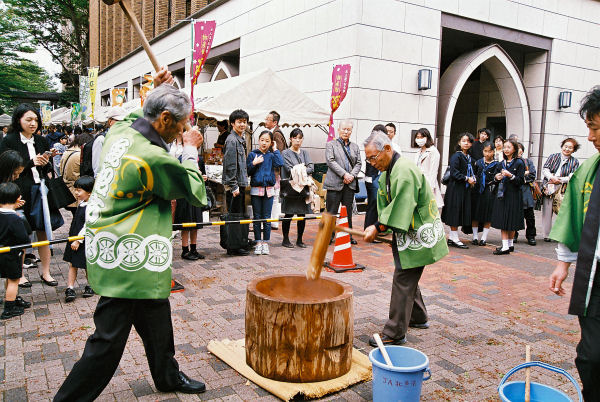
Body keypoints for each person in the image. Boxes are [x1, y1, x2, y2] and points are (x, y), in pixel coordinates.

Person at [54, 71, 208, 400]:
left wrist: (161, 87)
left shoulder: (119, 132)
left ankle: (167, 375)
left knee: (156, 317)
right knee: (108, 340)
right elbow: (194, 192)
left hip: (117, 241)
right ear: (165, 118)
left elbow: (137, 114)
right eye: (180, 126)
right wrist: (192, 150)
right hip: (129, 256)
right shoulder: (151, 157)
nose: (182, 132)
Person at [363, 131, 448, 346]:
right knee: (408, 271)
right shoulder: (388, 172)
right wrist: (376, 225)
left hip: (420, 233)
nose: (372, 163)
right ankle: (418, 317)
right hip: (408, 232)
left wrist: (378, 226)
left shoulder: (404, 171)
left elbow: (403, 204)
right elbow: (384, 204)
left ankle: (394, 332)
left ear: (388, 149)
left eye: (374, 157)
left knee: (403, 277)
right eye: (368, 159)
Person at [548, 86, 600, 401]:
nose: (591, 137)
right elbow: (572, 216)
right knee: (591, 356)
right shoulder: (591, 170)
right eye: (589, 128)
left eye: (595, 127)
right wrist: (563, 263)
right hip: (596, 275)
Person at [0, 104, 59, 287]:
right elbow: (6, 167)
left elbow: (45, 169)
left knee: (43, 230)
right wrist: (30, 162)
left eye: (36, 120)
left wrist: (47, 161)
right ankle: (21, 274)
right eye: (28, 119)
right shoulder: (9, 141)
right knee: (21, 233)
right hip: (18, 191)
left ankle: (46, 272)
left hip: (40, 190)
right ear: (18, 120)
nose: (33, 123)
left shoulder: (41, 140)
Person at [171, 131, 208, 261]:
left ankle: (194, 248)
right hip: (184, 194)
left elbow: (202, 175)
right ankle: (184, 249)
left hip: (196, 194)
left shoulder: (200, 159)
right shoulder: (178, 158)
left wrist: (203, 177)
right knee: (185, 223)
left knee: (196, 223)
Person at [324, 119, 362, 244]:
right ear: (339, 130)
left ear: (351, 131)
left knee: (348, 212)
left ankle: (348, 236)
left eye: (348, 130)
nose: (346, 132)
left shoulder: (355, 147)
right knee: (331, 211)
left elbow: (358, 163)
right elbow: (331, 161)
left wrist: (351, 175)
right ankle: (329, 236)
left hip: (349, 184)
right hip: (335, 183)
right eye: (344, 129)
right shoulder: (331, 144)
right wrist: (344, 174)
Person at [247, 130, 283, 255]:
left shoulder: (271, 155)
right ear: (258, 141)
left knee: (267, 217)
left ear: (271, 143)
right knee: (257, 217)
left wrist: (275, 149)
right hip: (256, 190)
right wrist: (253, 163)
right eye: (262, 140)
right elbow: (248, 171)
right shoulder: (253, 154)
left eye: (267, 141)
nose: (264, 143)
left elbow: (280, 163)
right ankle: (258, 242)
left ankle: (265, 243)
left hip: (269, 190)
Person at [0, 182, 32, 319]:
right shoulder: (15, 219)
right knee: (14, 279)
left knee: (8, 277)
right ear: (19, 198)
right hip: (11, 254)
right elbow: (23, 238)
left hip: (2, 252)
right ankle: (9, 308)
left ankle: (11, 299)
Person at [222, 109, 251, 256]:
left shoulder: (240, 138)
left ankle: (238, 243)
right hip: (235, 184)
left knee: (238, 215)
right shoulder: (232, 140)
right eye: (239, 121)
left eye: (244, 122)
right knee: (234, 216)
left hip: (240, 182)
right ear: (232, 123)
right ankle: (233, 247)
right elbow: (230, 165)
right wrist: (233, 185)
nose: (242, 124)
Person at [541, 137, 580, 241]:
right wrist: (551, 177)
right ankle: (546, 235)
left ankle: (560, 234)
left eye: (570, 148)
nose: (567, 149)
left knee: (562, 211)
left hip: (563, 188)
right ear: (562, 146)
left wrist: (560, 180)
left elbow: (573, 176)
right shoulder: (553, 156)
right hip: (549, 185)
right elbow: (545, 169)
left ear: (574, 150)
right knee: (547, 211)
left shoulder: (575, 162)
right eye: (565, 146)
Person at [491, 139, 525, 255]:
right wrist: (497, 177)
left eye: (509, 147)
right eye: (504, 147)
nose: (506, 149)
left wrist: (510, 176)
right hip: (502, 195)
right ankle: (506, 245)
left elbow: (521, 181)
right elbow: (494, 178)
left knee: (512, 220)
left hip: (514, 195)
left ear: (514, 149)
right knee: (504, 220)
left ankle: (508, 245)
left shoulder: (519, 163)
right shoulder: (501, 163)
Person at [441, 133, 476, 249]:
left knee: (460, 211)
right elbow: (454, 173)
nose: (466, 143)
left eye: (469, 141)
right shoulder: (457, 156)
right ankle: (455, 238)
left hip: (464, 189)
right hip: (455, 188)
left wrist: (473, 179)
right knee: (455, 212)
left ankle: (452, 237)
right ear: (459, 142)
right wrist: (467, 178)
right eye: (464, 141)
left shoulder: (469, 158)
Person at [63, 176, 95, 303]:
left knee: (87, 264)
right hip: (74, 237)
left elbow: (87, 225)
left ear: (90, 192)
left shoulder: (91, 207)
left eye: (79, 190)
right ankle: (70, 287)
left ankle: (91, 285)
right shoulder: (82, 203)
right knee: (72, 263)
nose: (76, 193)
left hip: (82, 239)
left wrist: (78, 240)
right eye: (76, 190)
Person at [281, 128, 314, 248]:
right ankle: (285, 239)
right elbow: (290, 169)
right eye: (295, 138)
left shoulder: (305, 153)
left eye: (300, 138)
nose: (297, 140)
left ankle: (300, 240)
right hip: (291, 188)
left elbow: (312, 167)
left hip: (303, 188)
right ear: (290, 139)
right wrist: (303, 169)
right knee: (288, 214)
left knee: (302, 214)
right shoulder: (285, 153)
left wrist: (300, 169)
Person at [470, 142, 498, 246]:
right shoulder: (478, 163)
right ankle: (475, 237)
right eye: (485, 151)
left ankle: (484, 238)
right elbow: (474, 175)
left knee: (487, 215)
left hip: (489, 191)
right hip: (477, 191)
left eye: (489, 151)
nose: (487, 153)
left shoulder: (496, 164)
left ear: (493, 151)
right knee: (475, 214)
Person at [60, 134, 94, 216]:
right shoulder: (80, 154)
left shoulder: (67, 152)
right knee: (78, 220)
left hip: (67, 191)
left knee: (75, 218)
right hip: (76, 193)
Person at [364, 125, 386, 233]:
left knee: (373, 206)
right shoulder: (372, 145)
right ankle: (369, 230)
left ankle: (369, 229)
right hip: (373, 179)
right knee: (373, 205)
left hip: (375, 179)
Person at [414, 128, 443, 209]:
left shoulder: (433, 151)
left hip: (428, 183)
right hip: (418, 183)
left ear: (427, 138)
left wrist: (430, 188)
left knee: (428, 209)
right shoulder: (418, 152)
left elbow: (433, 171)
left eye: (421, 137)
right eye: (417, 137)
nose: (419, 139)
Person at [515, 143, 537, 246]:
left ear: (522, 151)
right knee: (514, 214)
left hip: (526, 192)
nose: (518, 150)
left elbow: (532, 174)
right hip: (515, 191)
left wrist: (519, 177)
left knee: (530, 216)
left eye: (519, 149)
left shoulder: (528, 162)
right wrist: (523, 174)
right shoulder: (510, 162)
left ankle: (531, 236)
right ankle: (513, 234)